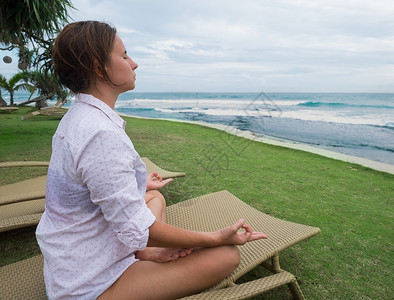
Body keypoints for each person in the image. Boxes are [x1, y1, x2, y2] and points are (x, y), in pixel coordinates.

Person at [35, 21, 267, 300]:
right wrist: (216, 238)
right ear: (98, 67)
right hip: (92, 282)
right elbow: (141, 228)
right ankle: (143, 250)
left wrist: (137, 182)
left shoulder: (80, 116)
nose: (133, 63)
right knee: (225, 256)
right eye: (123, 56)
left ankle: (143, 250)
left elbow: (89, 179)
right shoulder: (99, 132)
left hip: (81, 249)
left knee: (154, 198)